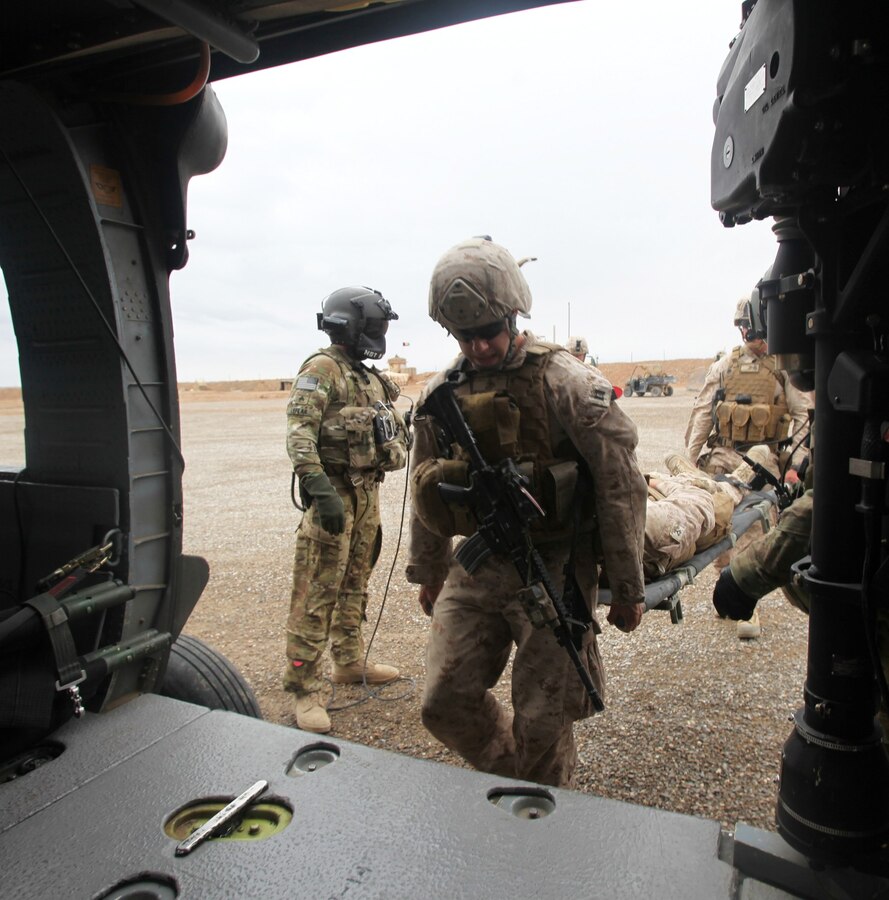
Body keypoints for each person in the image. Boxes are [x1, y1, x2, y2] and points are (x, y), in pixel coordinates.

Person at [405, 237, 646, 788]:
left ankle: (540, 807)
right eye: (465, 336)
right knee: (443, 702)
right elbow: (425, 486)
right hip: (479, 562)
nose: (479, 346)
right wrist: (430, 569)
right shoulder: (443, 394)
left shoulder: (566, 383)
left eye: (489, 331)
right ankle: (517, 780)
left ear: (513, 315)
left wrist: (627, 586)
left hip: (553, 566)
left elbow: (620, 486)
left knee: (544, 718)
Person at [283, 286, 410, 734]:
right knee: (317, 591)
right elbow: (299, 433)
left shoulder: (367, 376)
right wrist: (320, 490)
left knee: (356, 581)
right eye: (373, 325)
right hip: (334, 496)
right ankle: (304, 688)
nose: (379, 334)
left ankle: (349, 661)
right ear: (350, 326)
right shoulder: (322, 369)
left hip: (366, 493)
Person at [684, 297, 811, 479]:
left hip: (764, 460)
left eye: (751, 325)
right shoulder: (724, 366)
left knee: (769, 496)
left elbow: (802, 415)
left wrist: (796, 466)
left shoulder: (783, 367)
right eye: (744, 325)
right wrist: (690, 459)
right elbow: (703, 413)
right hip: (723, 457)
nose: (749, 330)